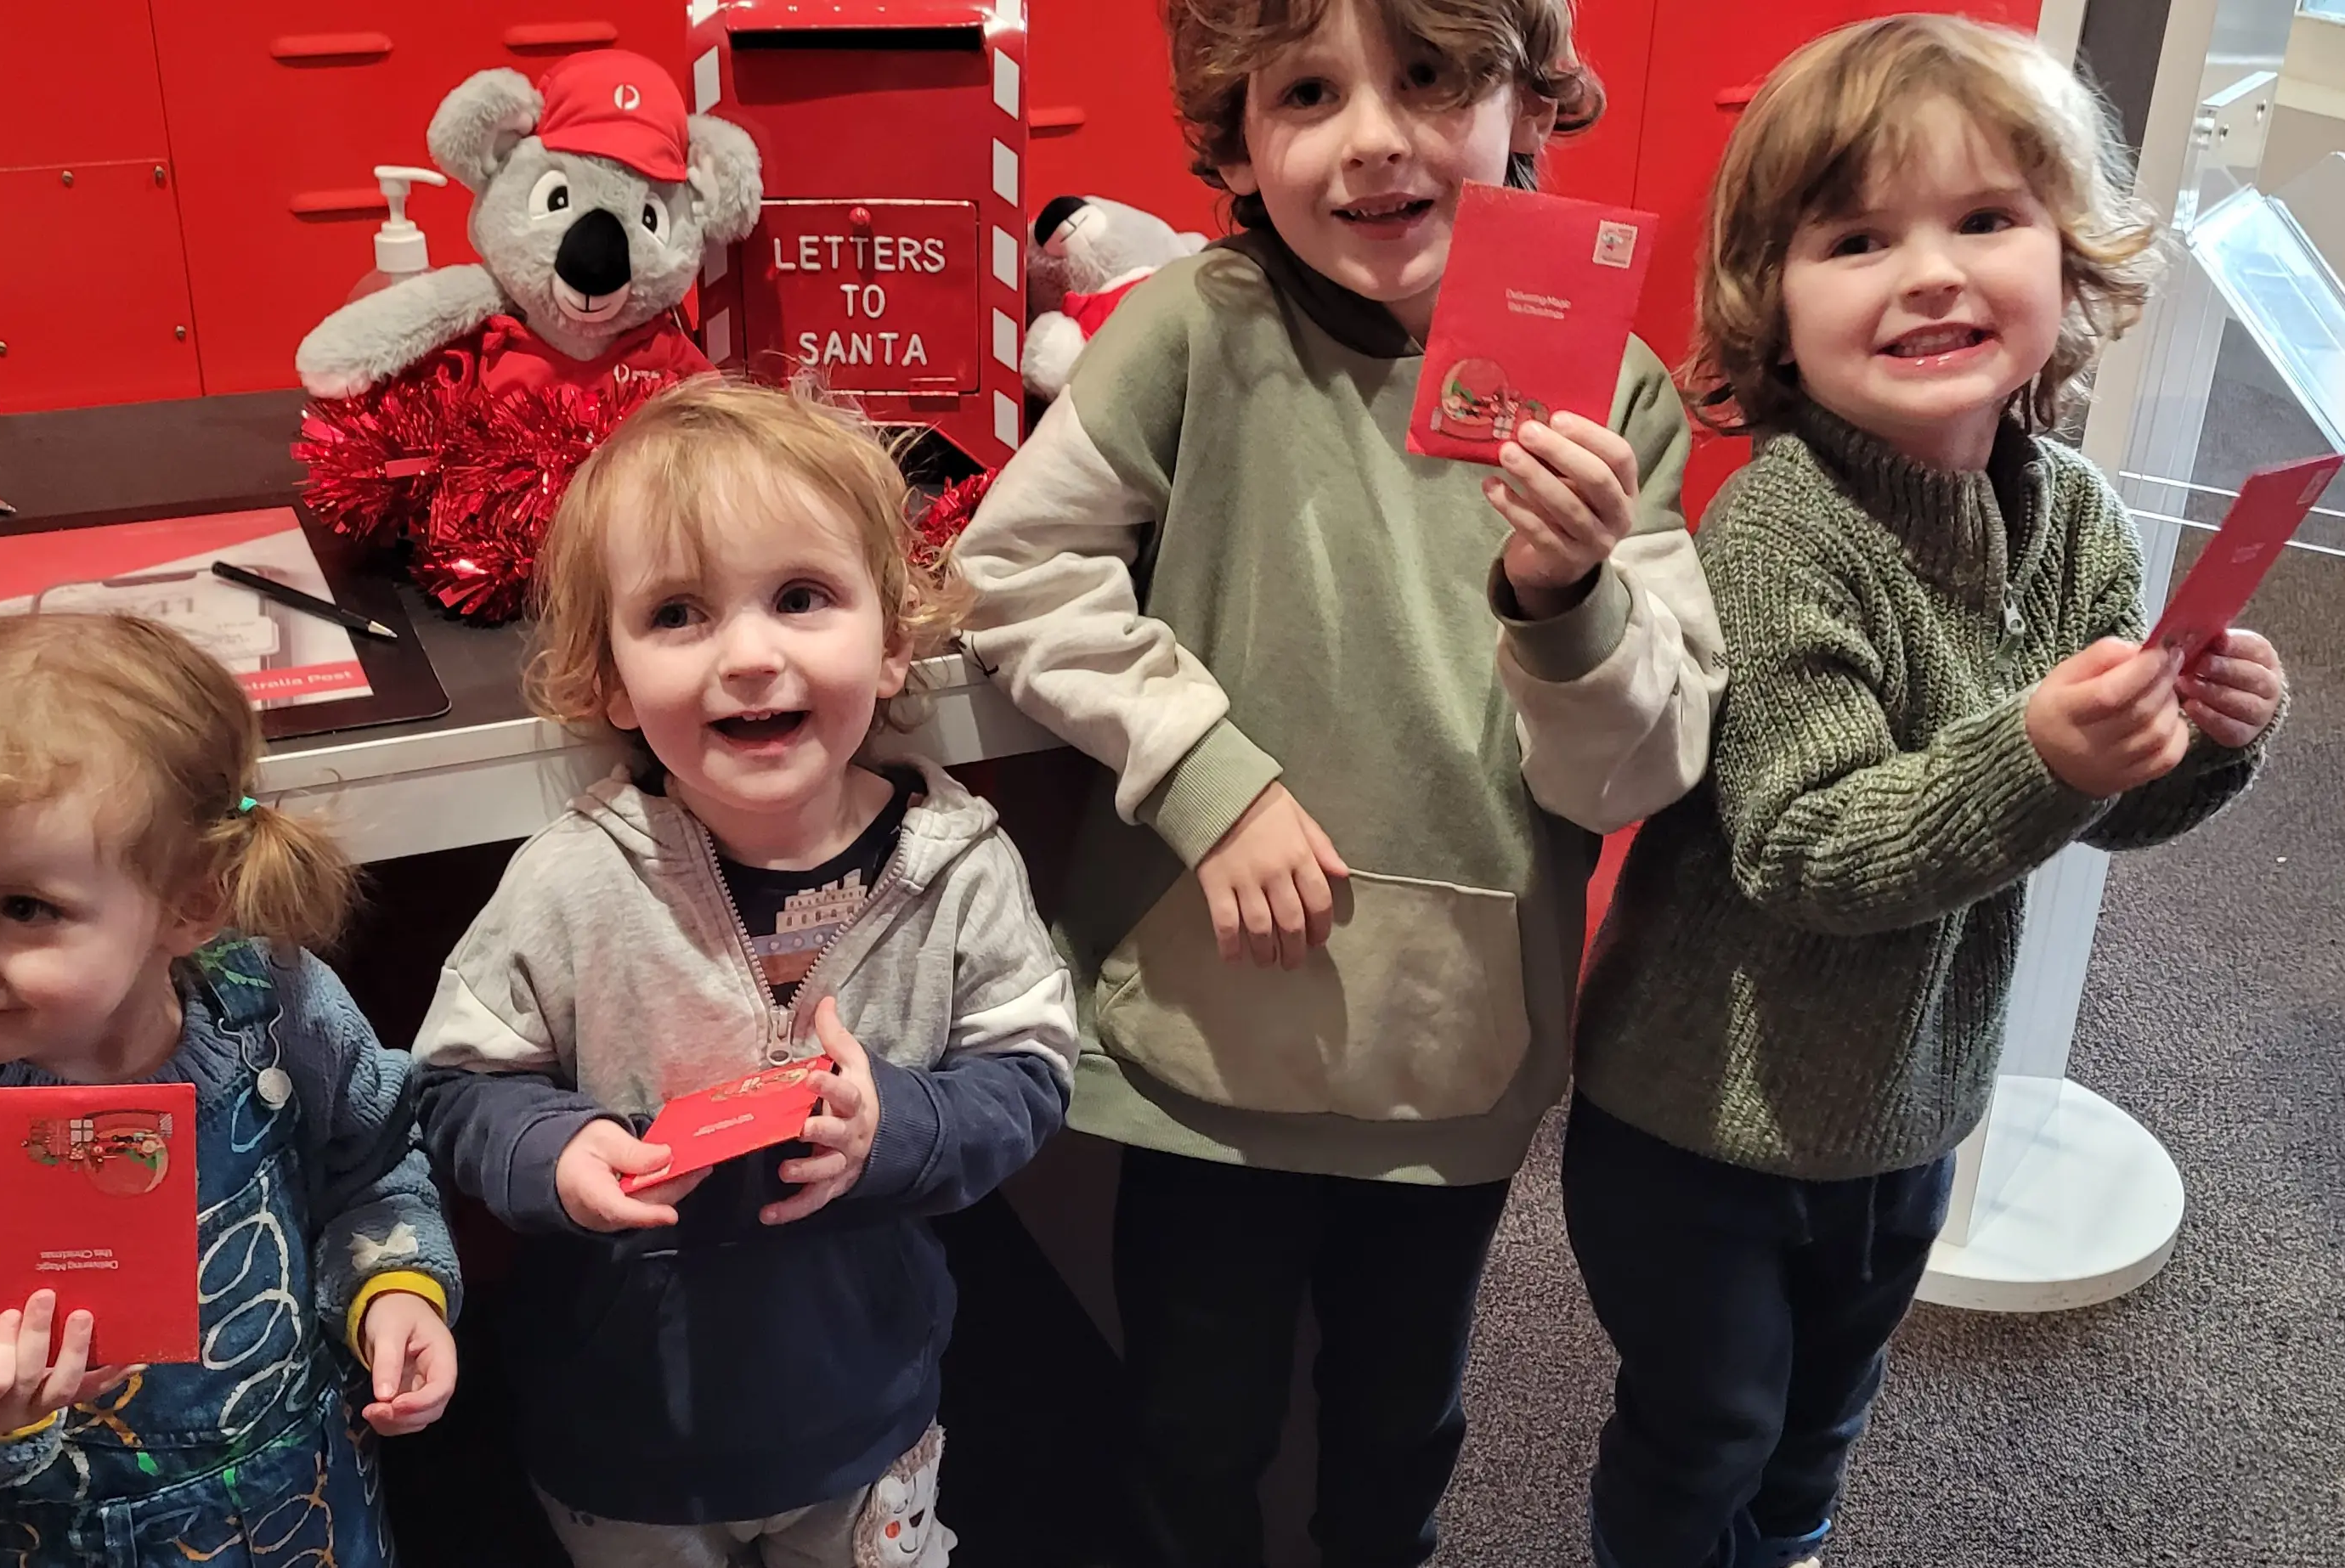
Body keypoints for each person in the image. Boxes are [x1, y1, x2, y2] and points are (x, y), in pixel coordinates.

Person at [947, 0, 1729, 1560]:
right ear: (1239, 136)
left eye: (1429, 78)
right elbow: (1013, 569)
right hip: (1208, 1037)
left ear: (1528, 107)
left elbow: (1646, 759)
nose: (1372, 135)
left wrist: (1569, 595)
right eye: (1307, 91)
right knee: (1193, 1416)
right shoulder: (1193, 328)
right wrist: (1206, 776)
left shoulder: (1607, 385)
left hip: (1454, 1037)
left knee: (1395, 1424)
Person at [1568, 17, 2284, 1568]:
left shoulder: (2075, 513)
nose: (1930, 273)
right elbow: (1806, 845)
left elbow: (2096, 810)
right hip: (1701, 1121)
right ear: (1770, 304)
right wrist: (2036, 751)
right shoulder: (1780, 536)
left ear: (2067, 257)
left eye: (1983, 219)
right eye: (1854, 239)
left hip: (1908, 1111)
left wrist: (2195, 742)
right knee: (1705, 1428)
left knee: (1822, 1415)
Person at [413, 375, 1076, 1566]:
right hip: (626, 1436)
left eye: (802, 597)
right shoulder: (569, 882)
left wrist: (899, 1124)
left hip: (862, 1413)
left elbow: (1027, 1071)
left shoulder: (956, 864)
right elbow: (459, 1089)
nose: (750, 655)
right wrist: (550, 1151)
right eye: (677, 614)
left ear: (890, 638)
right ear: (608, 677)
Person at [0, 612, 461, 1566]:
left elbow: (372, 1173)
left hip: (308, 1518)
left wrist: (395, 1288)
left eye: (22, 907)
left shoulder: (275, 1008)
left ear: (192, 902)